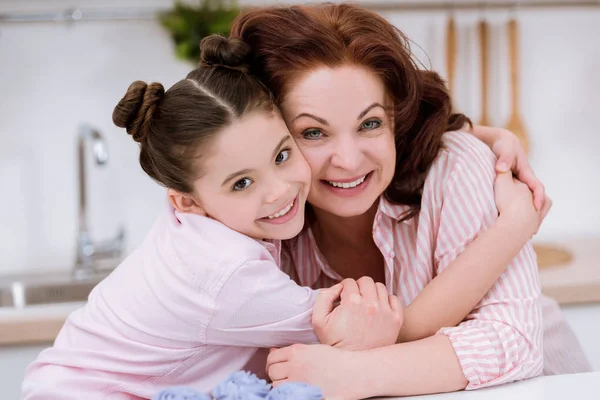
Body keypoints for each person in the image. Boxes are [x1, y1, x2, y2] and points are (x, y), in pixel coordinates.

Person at [230, 3, 592, 398]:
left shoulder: (454, 166)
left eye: (370, 124)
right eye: (313, 133)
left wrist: (353, 373)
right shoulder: (255, 215)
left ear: (395, 121)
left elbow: (512, 342)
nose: (349, 161)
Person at [21, 35, 407, 399]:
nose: (279, 190)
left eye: (281, 155)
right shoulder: (224, 272)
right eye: (241, 183)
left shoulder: (196, 231)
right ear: (187, 202)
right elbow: (347, 324)